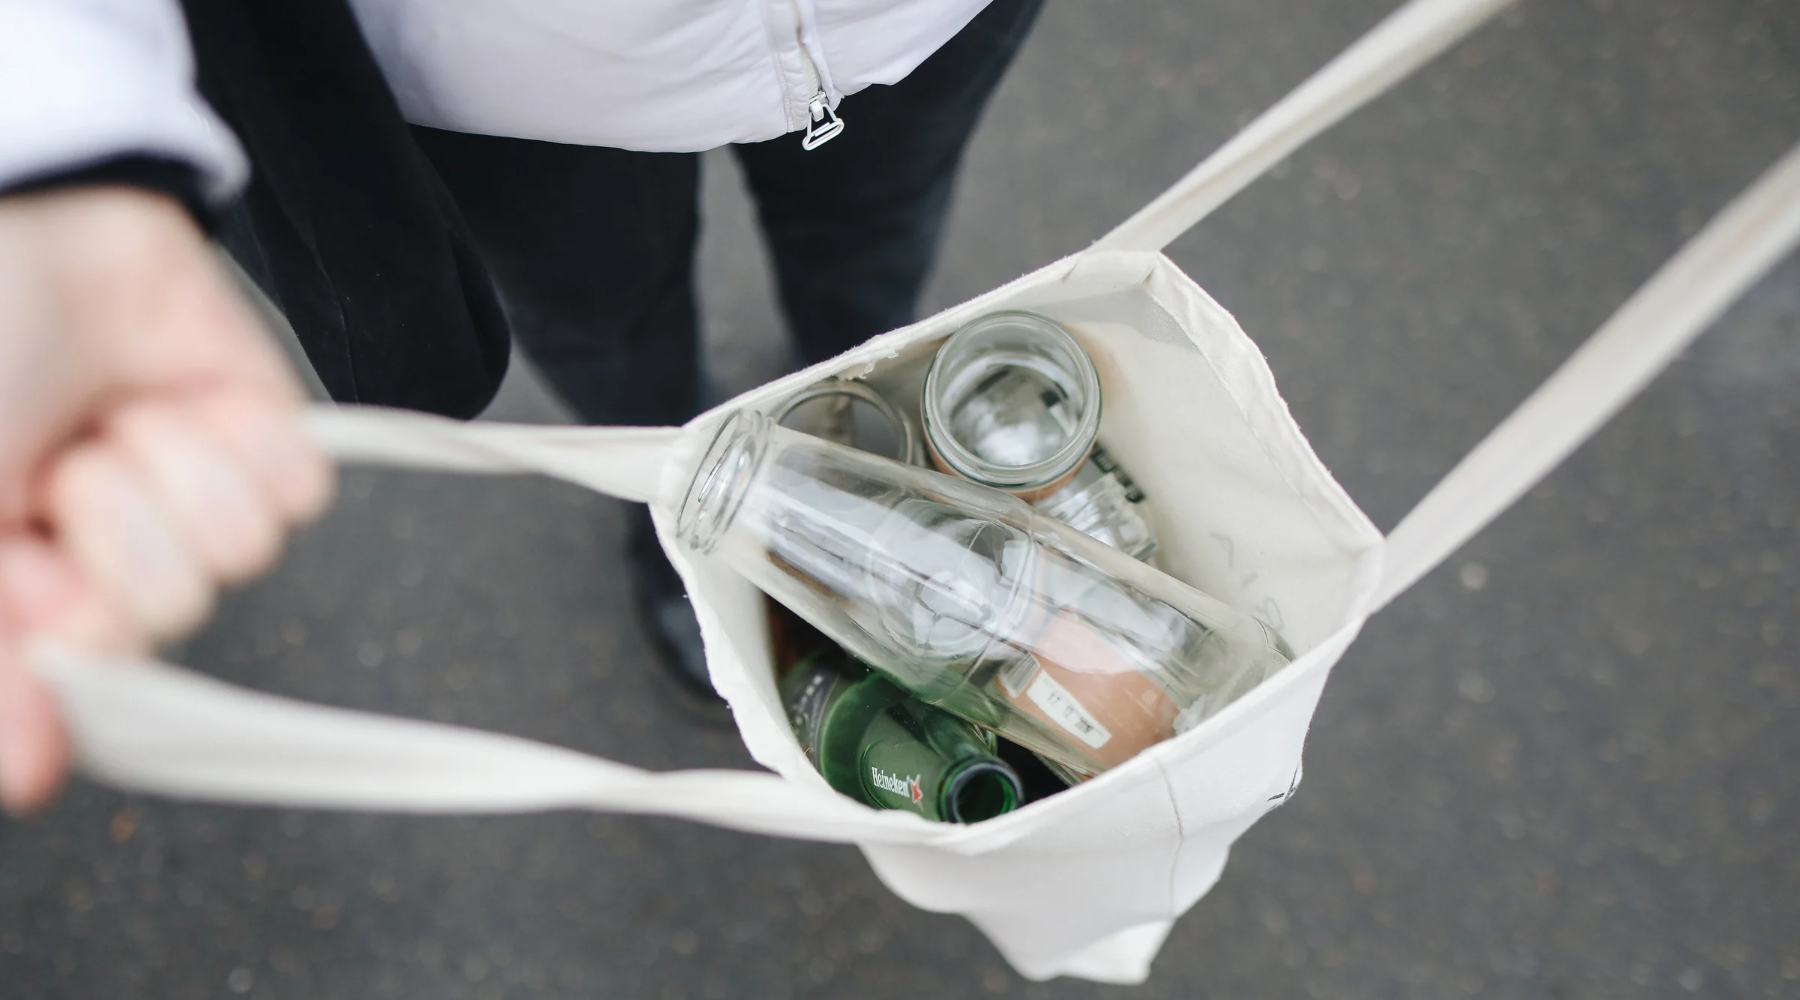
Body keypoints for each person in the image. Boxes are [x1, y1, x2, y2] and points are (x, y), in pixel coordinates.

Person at [0, 0, 1043, 812]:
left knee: (874, 261)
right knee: (605, 324)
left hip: (917, 20)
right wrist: (59, 132)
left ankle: (862, 433)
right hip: (509, 70)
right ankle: (674, 496)